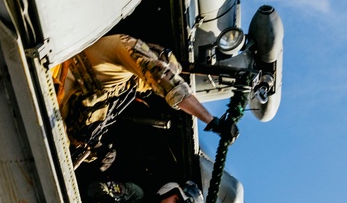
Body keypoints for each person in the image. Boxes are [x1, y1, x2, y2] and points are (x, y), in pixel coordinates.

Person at [53, 34, 239, 165]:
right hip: (47, 91)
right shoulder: (127, 46)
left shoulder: (123, 90)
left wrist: (97, 150)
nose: (153, 89)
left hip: (53, 125)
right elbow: (166, 81)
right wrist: (213, 122)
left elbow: (81, 126)